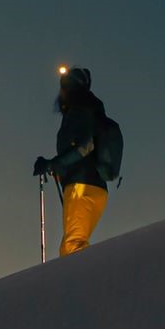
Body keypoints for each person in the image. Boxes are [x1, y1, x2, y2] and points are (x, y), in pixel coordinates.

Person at [34, 65, 112, 254]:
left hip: (82, 185)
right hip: (92, 186)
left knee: (73, 246)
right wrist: (57, 166)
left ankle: (86, 283)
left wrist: (55, 163)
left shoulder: (81, 108)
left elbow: (85, 146)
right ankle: (80, 281)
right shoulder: (88, 109)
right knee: (71, 245)